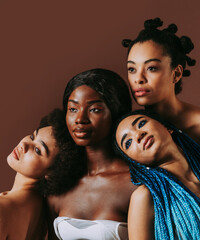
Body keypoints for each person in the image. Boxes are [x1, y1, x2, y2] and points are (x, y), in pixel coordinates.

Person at [114, 110, 200, 240]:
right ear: (135, 162)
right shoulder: (145, 196)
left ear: (167, 128)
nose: (138, 135)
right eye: (128, 142)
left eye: (141, 123)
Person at [122, 18, 200, 168]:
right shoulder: (128, 133)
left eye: (151, 68)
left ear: (176, 73)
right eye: (132, 69)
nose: (138, 79)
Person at [46, 68, 138, 240]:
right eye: (73, 109)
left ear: (116, 113)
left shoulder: (135, 183)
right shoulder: (58, 182)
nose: (80, 119)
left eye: (94, 110)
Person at [0, 109, 70, 240]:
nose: (25, 144)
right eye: (33, 137)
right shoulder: (42, 212)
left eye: (38, 150)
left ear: (53, 173)